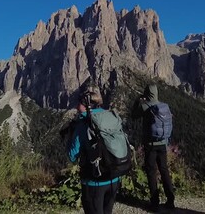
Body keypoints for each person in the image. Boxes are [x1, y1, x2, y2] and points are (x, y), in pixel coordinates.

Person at [66, 85, 120, 214]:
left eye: (79, 102)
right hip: (114, 178)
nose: (76, 105)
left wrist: (69, 138)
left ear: (85, 104)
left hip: (94, 181)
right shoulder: (110, 116)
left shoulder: (83, 124)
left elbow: (72, 155)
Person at [132, 84, 175, 212]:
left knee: (151, 172)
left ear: (146, 93)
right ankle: (171, 200)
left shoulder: (145, 106)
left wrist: (137, 101)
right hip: (163, 143)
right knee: (164, 170)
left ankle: (155, 202)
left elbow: (133, 115)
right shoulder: (163, 106)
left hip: (150, 145)